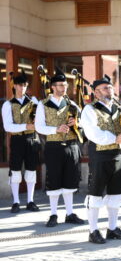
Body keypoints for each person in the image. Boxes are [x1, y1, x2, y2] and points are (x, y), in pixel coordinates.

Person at [81, 75, 121, 244]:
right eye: (105, 88)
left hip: (119, 155)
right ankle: (93, 231)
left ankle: (112, 228)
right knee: (96, 194)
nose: (110, 91)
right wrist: (114, 138)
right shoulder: (89, 109)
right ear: (96, 92)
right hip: (100, 156)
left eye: (110, 88)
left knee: (116, 193)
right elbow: (91, 132)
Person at [35, 67, 84, 227]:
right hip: (53, 146)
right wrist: (55, 129)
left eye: (65, 85)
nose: (64, 88)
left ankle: (69, 213)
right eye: (60, 85)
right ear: (53, 87)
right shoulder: (43, 104)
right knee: (54, 180)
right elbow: (39, 127)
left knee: (70, 180)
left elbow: (83, 123)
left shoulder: (72, 104)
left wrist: (76, 124)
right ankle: (53, 214)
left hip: (71, 146)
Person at [1, 70, 40, 213]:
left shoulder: (34, 101)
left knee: (31, 170)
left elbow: (40, 119)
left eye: (24, 85)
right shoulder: (8, 105)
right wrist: (26, 126)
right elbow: (7, 127)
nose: (22, 87)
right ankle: (16, 201)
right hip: (17, 139)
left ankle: (30, 201)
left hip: (31, 139)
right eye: (19, 85)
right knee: (15, 170)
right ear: (14, 86)